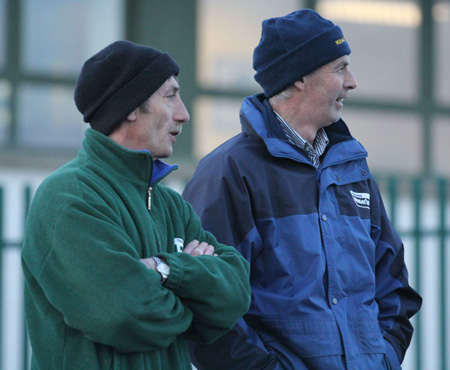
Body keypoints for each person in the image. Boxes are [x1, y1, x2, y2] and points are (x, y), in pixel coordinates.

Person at [183, 9, 422, 370]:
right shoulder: (229, 173)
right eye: (339, 68)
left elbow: (393, 287)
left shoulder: (352, 168)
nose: (352, 81)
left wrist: (383, 360)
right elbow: (207, 304)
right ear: (299, 78)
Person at [21, 40, 251, 370]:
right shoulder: (68, 196)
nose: (183, 113)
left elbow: (235, 295)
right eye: (170, 95)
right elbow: (124, 314)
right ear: (129, 107)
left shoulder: (171, 204)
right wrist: (193, 296)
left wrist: (164, 269)